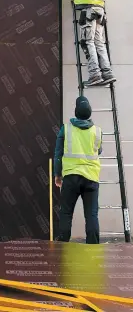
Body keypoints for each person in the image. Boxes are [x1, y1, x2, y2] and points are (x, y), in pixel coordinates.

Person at [58, 0, 116, 86]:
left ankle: (95, 74)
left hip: (89, 10)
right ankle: (107, 73)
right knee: (98, 42)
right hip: (98, 10)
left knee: (87, 41)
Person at [54, 96, 102, 244]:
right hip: (91, 178)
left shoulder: (66, 129)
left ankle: (62, 245)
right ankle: (93, 247)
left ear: (75, 111)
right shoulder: (97, 131)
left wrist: (57, 174)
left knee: (66, 213)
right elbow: (98, 151)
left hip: (71, 177)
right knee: (91, 215)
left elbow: (58, 154)